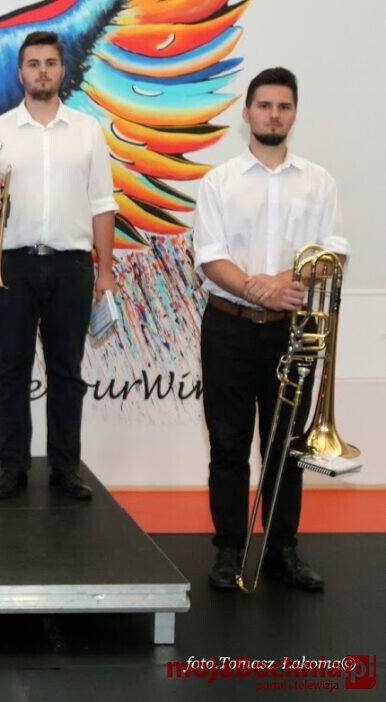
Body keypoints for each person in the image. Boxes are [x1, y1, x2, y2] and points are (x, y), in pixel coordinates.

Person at [193, 67, 349, 591]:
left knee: (287, 445)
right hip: (228, 328)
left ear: (294, 114)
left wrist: (282, 283)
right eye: (264, 106)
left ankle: (282, 549)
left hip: (292, 330)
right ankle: (229, 550)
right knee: (229, 444)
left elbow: (332, 251)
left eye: (283, 106)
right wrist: (257, 289)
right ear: (247, 113)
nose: (273, 115)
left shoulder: (319, 181)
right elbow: (209, 256)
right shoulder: (218, 182)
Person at [0, 31, 118, 501]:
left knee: (67, 372)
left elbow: (102, 205)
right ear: (21, 73)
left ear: (62, 70)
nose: (42, 71)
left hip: (72, 266)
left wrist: (106, 271)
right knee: (12, 370)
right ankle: (12, 468)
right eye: (33, 64)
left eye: (50, 63)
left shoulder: (87, 131)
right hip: (11, 265)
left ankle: (65, 469)